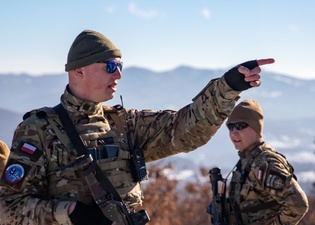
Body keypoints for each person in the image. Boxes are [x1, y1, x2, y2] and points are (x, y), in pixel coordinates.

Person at [0, 29, 275, 225]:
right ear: (78, 71)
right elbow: (9, 207)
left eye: (120, 65)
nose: (118, 73)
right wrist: (69, 212)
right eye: (109, 66)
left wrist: (228, 87)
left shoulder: (124, 123)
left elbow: (186, 131)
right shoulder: (39, 129)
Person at [223, 99, 309, 225]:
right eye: (230, 126)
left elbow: (298, 205)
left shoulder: (265, 162)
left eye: (240, 126)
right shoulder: (247, 160)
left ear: (256, 127)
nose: (234, 132)